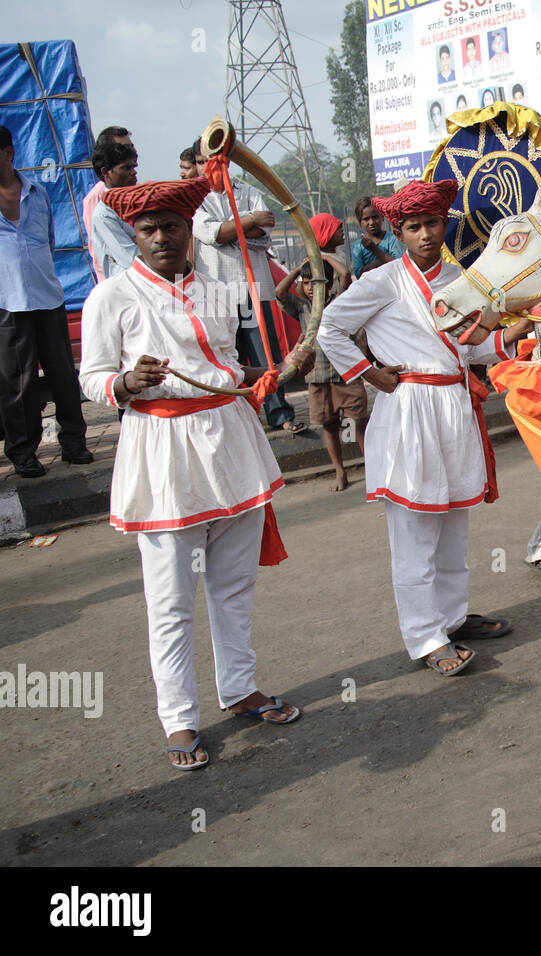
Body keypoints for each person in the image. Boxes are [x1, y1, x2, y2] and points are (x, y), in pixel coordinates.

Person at [78, 176, 312, 770]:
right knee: (170, 599)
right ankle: (179, 720)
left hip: (228, 441)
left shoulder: (217, 287)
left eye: (172, 227)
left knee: (232, 584)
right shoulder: (112, 296)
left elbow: (225, 365)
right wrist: (127, 383)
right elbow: (92, 377)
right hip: (162, 451)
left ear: (189, 231)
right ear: (132, 234)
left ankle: (238, 689)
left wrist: (278, 368)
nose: (161, 238)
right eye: (148, 229)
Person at [317, 180, 530, 674]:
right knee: (414, 531)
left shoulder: (461, 279)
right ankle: (424, 636)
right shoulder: (382, 280)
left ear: (445, 224)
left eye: (433, 223)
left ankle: (451, 618)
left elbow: (469, 350)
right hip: (407, 405)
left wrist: (514, 334)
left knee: (454, 523)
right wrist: (368, 372)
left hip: (454, 405)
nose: (425, 234)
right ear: (399, 231)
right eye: (413, 226)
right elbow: (329, 327)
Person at [0, 125, 92, 478]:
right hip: (8, 304)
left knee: (63, 375)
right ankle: (23, 453)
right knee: (17, 383)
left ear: (8, 153)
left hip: (47, 296)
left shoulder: (36, 194)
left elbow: (49, 242)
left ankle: (74, 443)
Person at [192, 163, 303, 433]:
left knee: (265, 353)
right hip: (218, 291)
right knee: (230, 356)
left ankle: (279, 413)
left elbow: (263, 235)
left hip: (253, 288)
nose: (210, 166)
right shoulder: (196, 198)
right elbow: (212, 234)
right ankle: (240, 415)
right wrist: (250, 221)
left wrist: (233, 228)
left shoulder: (250, 191)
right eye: (202, 160)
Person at [274, 213, 367, 492]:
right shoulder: (302, 308)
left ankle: (372, 467)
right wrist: (301, 267)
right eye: (305, 284)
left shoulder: (338, 297)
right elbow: (280, 292)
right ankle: (340, 471)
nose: (309, 288)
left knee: (359, 421)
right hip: (317, 376)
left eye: (314, 284)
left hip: (345, 370)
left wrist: (323, 258)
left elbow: (342, 275)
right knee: (328, 425)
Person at [83, 126, 132, 279]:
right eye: (122, 147)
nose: (128, 151)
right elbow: (99, 248)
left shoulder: (132, 192)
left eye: (130, 147)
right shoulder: (97, 198)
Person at [352, 195, 404, 277]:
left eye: (375, 217)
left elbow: (399, 265)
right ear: (360, 222)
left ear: (382, 217)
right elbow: (359, 273)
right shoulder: (358, 246)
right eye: (366, 219)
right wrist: (382, 260)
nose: (371, 222)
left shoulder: (392, 239)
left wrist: (374, 249)